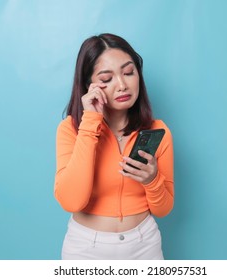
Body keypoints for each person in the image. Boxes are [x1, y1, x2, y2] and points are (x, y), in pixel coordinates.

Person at [54, 33, 174, 260]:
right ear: (89, 86)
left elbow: (163, 209)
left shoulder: (158, 131)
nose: (122, 85)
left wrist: (152, 180)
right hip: (86, 249)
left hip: (144, 245)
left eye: (129, 73)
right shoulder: (70, 129)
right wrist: (90, 123)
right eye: (107, 78)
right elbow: (71, 200)